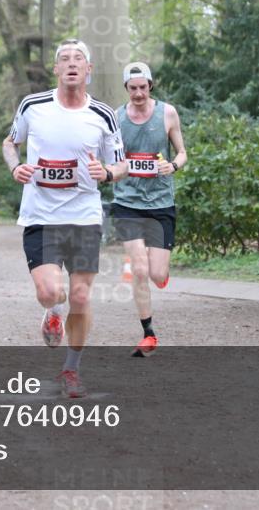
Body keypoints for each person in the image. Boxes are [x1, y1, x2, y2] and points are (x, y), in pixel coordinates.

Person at [2, 38, 127, 398]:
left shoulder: (103, 115)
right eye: (64, 59)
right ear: (56, 69)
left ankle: (70, 371)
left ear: (88, 70)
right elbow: (10, 143)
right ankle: (52, 310)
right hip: (40, 214)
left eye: (79, 59)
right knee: (49, 291)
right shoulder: (33, 106)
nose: (71, 63)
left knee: (82, 298)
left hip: (84, 215)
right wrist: (16, 168)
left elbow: (122, 165)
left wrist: (106, 172)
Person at [111, 62, 187, 358]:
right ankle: (149, 334)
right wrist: (113, 171)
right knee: (139, 269)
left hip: (161, 204)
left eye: (143, 87)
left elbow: (182, 152)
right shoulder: (116, 119)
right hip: (127, 202)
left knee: (157, 274)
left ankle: (162, 272)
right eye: (133, 88)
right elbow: (112, 159)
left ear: (150, 85)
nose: (139, 93)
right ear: (126, 89)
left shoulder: (167, 113)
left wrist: (173, 165)